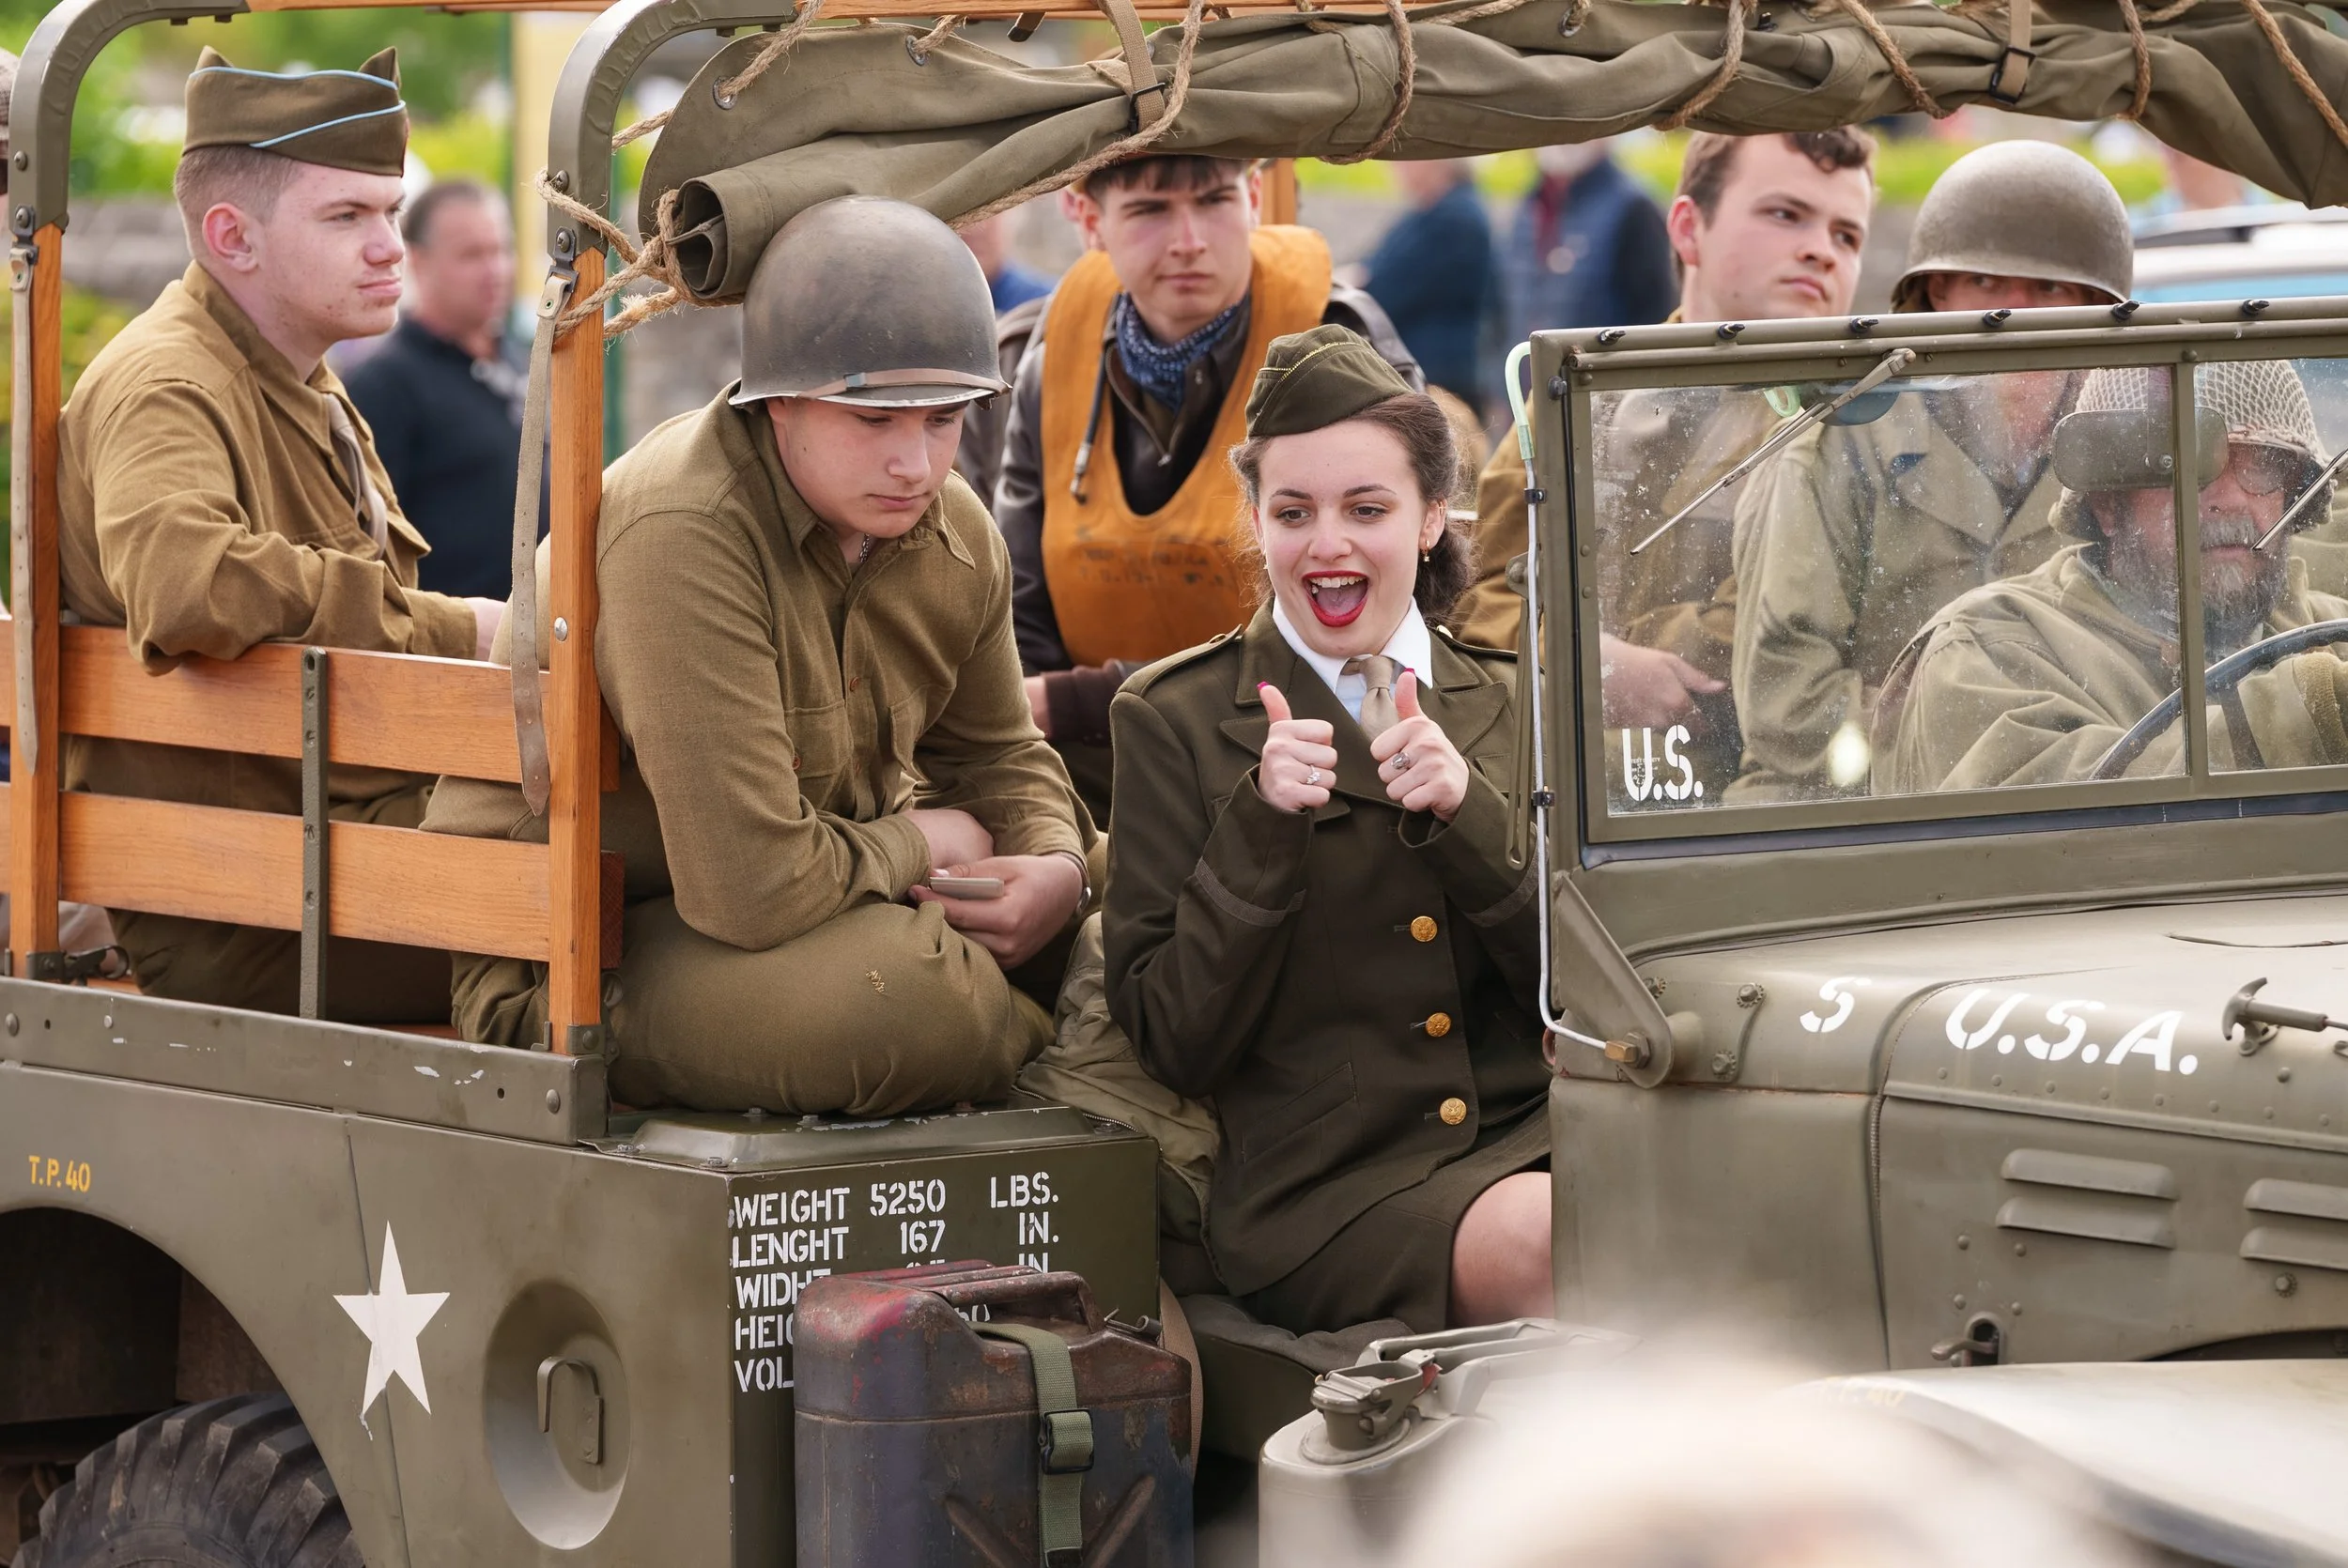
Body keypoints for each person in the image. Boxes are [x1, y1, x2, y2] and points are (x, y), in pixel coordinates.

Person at [425, 197, 1090, 1115]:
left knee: (1137, 897)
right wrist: (922, 842)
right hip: (579, 950)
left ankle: (1060, 1026)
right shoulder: (684, 530)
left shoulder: (952, 531)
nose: (916, 463)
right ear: (779, 401)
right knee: (911, 1002)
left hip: (812, 901)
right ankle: (1069, 1053)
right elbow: (748, 889)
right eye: (874, 420)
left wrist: (1057, 870)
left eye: (944, 419)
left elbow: (1001, 754)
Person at [1105, 325, 1548, 1336]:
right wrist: (1260, 826)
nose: (1328, 544)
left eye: (1367, 509)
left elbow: (1588, 993)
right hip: (1333, 1189)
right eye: (1293, 511)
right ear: (1258, 523)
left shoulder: (1518, 698)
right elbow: (1174, 1040)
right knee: (1573, 1240)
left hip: (1544, 1134)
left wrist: (1470, 814)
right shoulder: (1173, 717)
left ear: (1432, 518)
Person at [56, 48, 501, 1018]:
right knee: (640, 900)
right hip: (250, 906)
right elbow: (186, 582)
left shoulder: (299, 378)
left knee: (651, 825)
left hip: (325, 842)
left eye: (390, 212)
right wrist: (460, 629)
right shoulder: (168, 384)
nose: (389, 246)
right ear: (233, 236)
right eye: (347, 217)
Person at [992, 153, 1420, 821]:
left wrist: (1079, 700)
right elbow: (1017, 609)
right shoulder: (1045, 365)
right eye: (1150, 210)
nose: (1188, 240)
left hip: (1307, 766)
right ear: (1086, 217)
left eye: (1214, 200)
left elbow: (1383, 623)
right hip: (1092, 774)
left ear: (1254, 197)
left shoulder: (1344, 352)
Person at [1458, 131, 1877, 802]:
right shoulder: (1573, 402)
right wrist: (1581, 660)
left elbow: (1765, 642)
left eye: (1847, 235)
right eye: (1785, 214)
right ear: (1687, 229)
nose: (1821, 250)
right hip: (1555, 800)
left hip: (1757, 807)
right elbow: (1480, 598)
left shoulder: (1862, 433)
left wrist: (1578, 646)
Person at [1726, 140, 2135, 802]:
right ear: (1939, 292)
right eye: (1986, 285)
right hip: (1846, 808)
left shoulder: (2130, 454)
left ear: (2094, 305)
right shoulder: (1833, 447)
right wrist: (1992, 737)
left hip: (2069, 796)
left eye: (2050, 289)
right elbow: (1787, 712)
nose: (2012, 316)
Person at [1874, 361, 2348, 794]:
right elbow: (2074, 829)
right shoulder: (1987, 647)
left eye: (2262, 467)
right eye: (2187, 466)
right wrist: (2321, 706)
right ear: (2107, 504)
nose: (2231, 500)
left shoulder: (2331, 632)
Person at [346, 178, 541, 599]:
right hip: (459, 634)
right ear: (418, 261)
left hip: (551, 626)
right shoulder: (384, 384)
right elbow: (364, 549)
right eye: (472, 255)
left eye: (501, 250)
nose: (495, 271)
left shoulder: (523, 359)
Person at [1497, 139, 1675, 361]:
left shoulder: (1634, 209)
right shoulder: (1528, 206)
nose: (1563, 135)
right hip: (1526, 378)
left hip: (1598, 378)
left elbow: (1655, 323)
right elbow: (1502, 315)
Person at [1360, 159, 1499, 408]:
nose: (1397, 165)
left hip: (1442, 381)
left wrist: (1359, 281)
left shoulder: (1456, 218)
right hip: (1423, 372)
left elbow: (1385, 289)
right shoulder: (1428, 212)